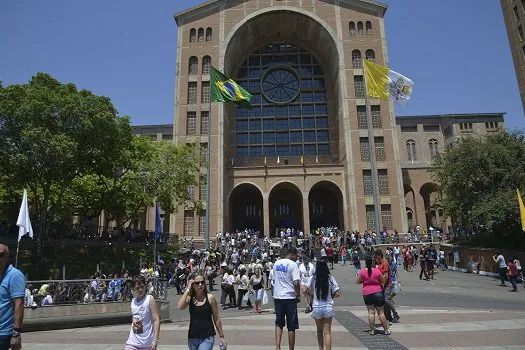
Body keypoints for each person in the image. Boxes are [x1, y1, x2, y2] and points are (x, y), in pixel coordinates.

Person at [177, 272, 226, 350]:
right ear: (192, 284)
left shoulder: (210, 298)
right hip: (193, 336)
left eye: (202, 282)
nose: (200, 285)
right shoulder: (190, 298)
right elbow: (180, 307)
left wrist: (221, 336)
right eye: (197, 283)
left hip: (207, 336)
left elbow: (216, 318)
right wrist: (187, 289)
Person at [306, 260, 340, 350]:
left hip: (317, 306)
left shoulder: (313, 278)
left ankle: (320, 348)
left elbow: (305, 290)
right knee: (327, 332)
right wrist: (331, 297)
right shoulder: (330, 278)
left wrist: (311, 295)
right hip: (328, 306)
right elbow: (337, 293)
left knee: (319, 330)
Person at [273, 247, 301, 350]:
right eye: (296, 256)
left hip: (278, 296)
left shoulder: (276, 263)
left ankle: (277, 347)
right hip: (289, 297)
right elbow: (296, 282)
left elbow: (274, 279)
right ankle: (291, 349)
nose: (296, 258)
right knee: (291, 325)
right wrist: (298, 295)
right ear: (292, 254)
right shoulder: (293, 265)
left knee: (279, 323)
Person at [356, 255, 390, 336]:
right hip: (378, 292)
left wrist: (363, 280)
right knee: (381, 313)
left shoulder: (362, 271)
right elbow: (382, 280)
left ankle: (372, 331)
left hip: (367, 293)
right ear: (372, 262)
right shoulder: (377, 271)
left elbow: (358, 281)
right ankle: (386, 330)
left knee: (371, 312)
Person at [125, 275, 160, 350]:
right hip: (133, 342)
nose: (140, 289)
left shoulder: (149, 299)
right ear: (133, 289)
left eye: (142, 287)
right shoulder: (133, 302)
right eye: (137, 288)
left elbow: (156, 319)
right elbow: (135, 320)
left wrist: (155, 339)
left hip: (147, 343)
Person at [0, 244, 25, 350]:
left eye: (0, 254)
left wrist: (16, 333)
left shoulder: (15, 275)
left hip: (4, 333)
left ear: (8, 257)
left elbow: (19, 304)